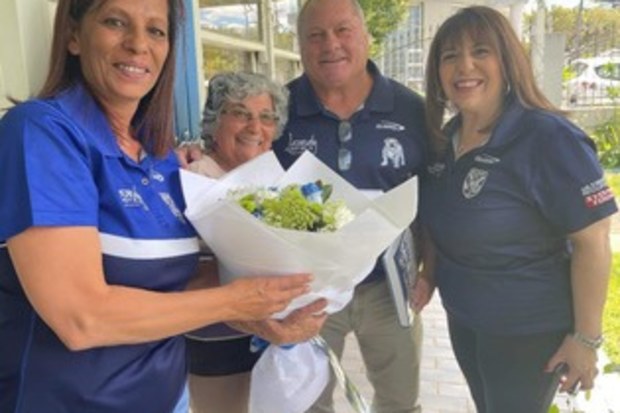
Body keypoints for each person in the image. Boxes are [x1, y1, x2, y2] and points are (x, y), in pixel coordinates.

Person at [0, 1, 327, 412]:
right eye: (115, 22)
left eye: (156, 31)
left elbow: (171, 291)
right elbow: (82, 318)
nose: (138, 44)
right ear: (72, 35)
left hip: (167, 398)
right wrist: (236, 300)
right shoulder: (43, 134)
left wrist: (270, 316)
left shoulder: (160, 157)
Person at [418, 6, 617, 413]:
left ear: (508, 61)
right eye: (450, 56)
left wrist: (585, 340)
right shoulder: (445, 140)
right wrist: (430, 276)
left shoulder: (548, 138)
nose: (464, 66)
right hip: (465, 319)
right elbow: (443, 225)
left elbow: (593, 241)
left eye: (480, 51)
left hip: (527, 330)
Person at [271, 0, 427, 412]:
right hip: (310, 290)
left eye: (343, 31)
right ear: (301, 45)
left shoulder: (412, 111)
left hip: (390, 289)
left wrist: (433, 270)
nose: (331, 44)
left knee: (399, 401)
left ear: (366, 37)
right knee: (308, 402)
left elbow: (433, 198)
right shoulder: (278, 111)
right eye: (316, 35)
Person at [184, 71, 292, 413]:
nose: (254, 127)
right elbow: (180, 272)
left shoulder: (275, 180)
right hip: (216, 344)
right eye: (241, 113)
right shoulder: (191, 180)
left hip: (273, 343)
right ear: (214, 122)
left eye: (266, 117)